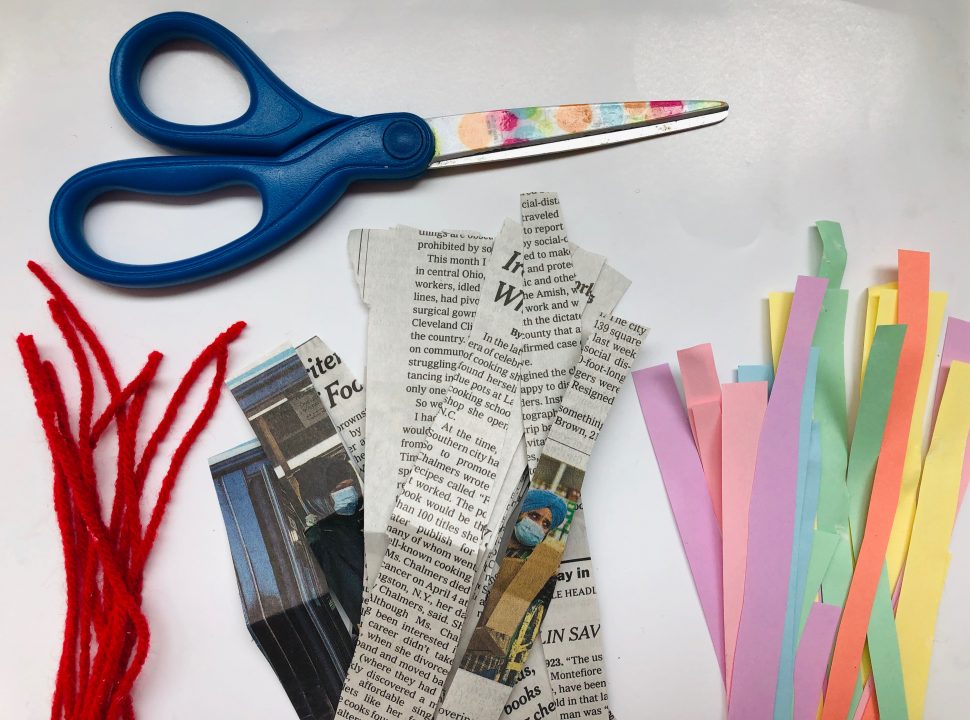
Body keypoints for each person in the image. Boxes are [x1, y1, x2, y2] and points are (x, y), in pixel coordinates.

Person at [461, 488, 569, 684]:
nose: (538, 526)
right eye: (534, 516)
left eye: (546, 524)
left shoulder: (539, 565)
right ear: (519, 514)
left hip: (484, 661)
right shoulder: (490, 544)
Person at [294, 454, 365, 631]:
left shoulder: (352, 523)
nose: (349, 493)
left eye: (350, 486)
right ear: (317, 499)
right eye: (340, 488)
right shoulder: (322, 541)